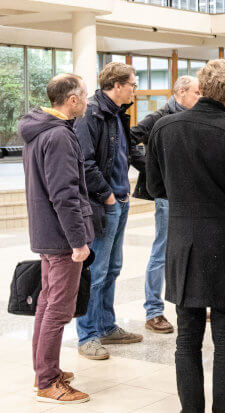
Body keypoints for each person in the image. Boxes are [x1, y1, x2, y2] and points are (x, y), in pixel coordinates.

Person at [146, 59, 225, 412]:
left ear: (199, 87)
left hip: (183, 242)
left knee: (187, 338)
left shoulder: (164, 129)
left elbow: (155, 186)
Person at [19, 74, 93, 404]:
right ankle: (48, 381)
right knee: (58, 309)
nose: (87, 103)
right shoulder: (60, 136)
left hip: (46, 232)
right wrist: (78, 241)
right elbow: (65, 195)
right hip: (62, 237)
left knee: (48, 303)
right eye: (85, 97)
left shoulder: (39, 131)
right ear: (72, 100)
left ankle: (44, 370)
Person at [75, 62, 145, 361]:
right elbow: (85, 163)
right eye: (132, 83)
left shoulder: (117, 114)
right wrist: (107, 198)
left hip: (120, 199)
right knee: (96, 271)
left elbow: (128, 154)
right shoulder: (91, 114)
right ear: (117, 85)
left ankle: (106, 326)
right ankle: (88, 335)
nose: (135, 88)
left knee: (113, 268)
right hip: (105, 203)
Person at [130, 75, 201, 334]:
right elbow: (129, 140)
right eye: (196, 92)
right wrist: (151, 169)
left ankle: (194, 302)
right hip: (168, 197)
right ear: (181, 92)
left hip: (193, 195)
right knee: (162, 251)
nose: (200, 96)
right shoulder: (158, 118)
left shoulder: (196, 116)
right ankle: (153, 312)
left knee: (193, 249)